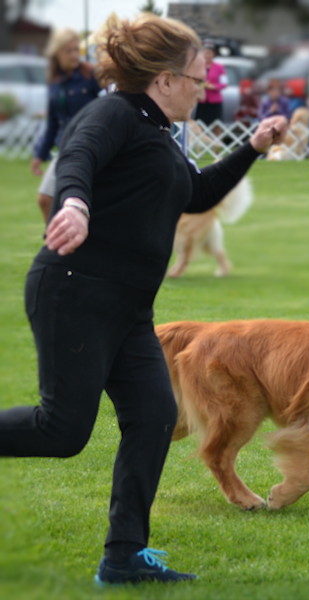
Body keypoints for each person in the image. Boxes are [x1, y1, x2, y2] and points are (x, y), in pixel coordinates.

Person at [0, 13, 287, 586]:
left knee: (154, 415)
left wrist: (252, 147)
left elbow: (198, 191)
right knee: (63, 432)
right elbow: (76, 159)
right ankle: (124, 555)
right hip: (76, 293)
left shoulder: (157, 131)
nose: (203, 91)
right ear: (163, 79)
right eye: (198, 81)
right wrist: (75, 204)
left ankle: (124, 557)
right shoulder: (113, 114)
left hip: (130, 309)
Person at [31, 27, 102, 222]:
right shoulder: (54, 80)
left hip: (87, 148)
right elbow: (52, 122)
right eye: (68, 50)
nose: (74, 55)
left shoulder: (90, 75)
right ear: (57, 52)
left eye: (76, 49)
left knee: (78, 202)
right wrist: (39, 154)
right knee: (45, 199)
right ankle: (53, 243)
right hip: (64, 148)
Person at [193, 44, 227, 125]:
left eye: (209, 53)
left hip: (215, 100)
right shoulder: (198, 66)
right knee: (200, 122)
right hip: (202, 99)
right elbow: (195, 79)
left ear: (213, 54)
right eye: (206, 53)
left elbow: (224, 83)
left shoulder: (219, 67)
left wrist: (214, 87)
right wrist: (203, 85)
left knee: (216, 123)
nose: (207, 56)